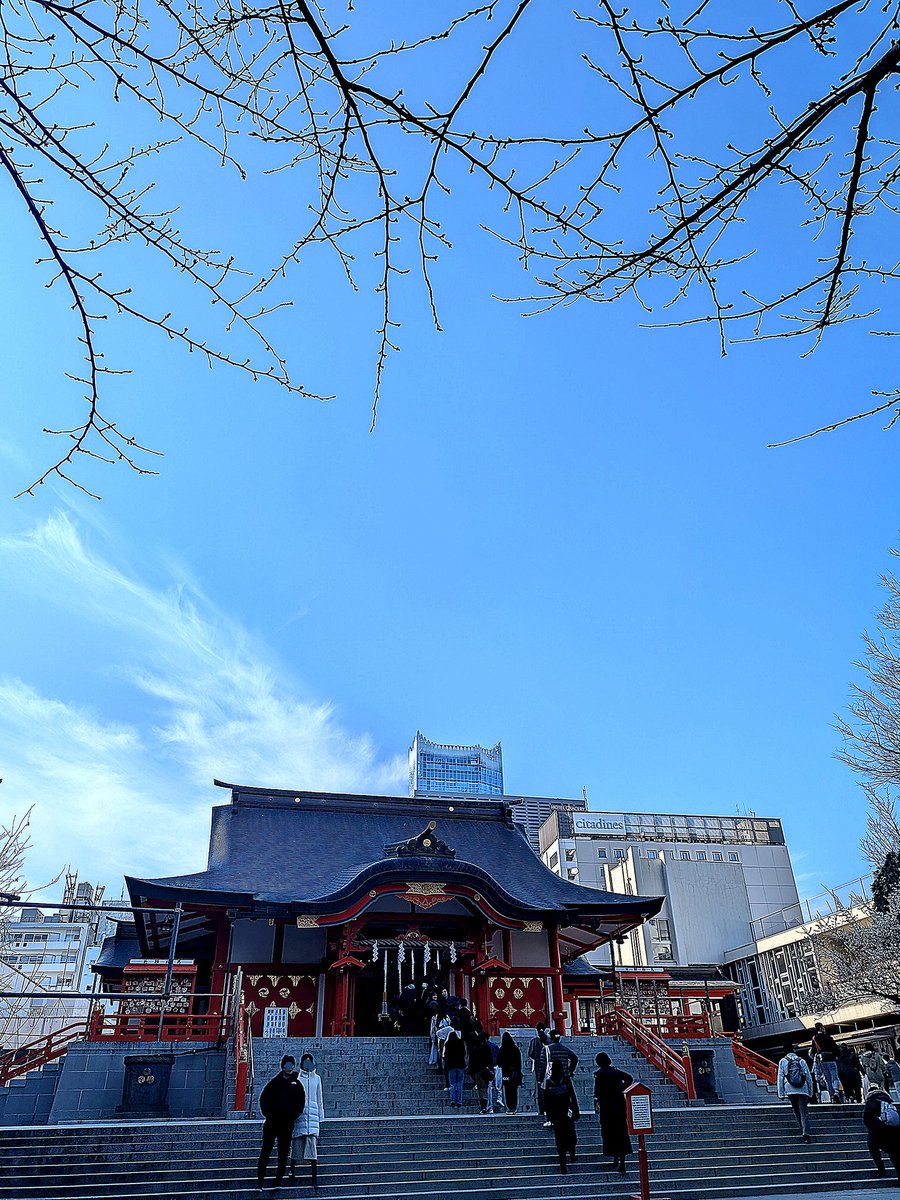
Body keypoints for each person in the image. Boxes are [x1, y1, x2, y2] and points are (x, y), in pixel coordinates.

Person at [257, 1054, 306, 1191]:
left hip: (287, 1123)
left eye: (291, 1065)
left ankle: (278, 1180)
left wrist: (293, 1115)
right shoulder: (274, 1082)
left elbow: (301, 1102)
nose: (289, 1068)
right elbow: (263, 1099)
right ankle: (260, 1180)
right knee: (266, 1150)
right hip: (272, 1122)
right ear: (283, 1066)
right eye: (287, 1065)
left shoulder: (297, 1084)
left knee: (283, 1152)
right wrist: (268, 1114)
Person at [289, 1052, 325, 1193]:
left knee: (312, 1148)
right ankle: (292, 1171)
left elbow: (319, 1097)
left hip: (313, 1115)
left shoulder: (317, 1079)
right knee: (296, 1145)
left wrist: (321, 1116)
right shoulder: (297, 1078)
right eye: (306, 1062)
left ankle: (314, 1176)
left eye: (310, 1062)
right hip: (300, 1114)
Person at [593, 1051, 633, 1174]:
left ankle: (615, 1155)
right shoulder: (615, 1072)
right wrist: (620, 1089)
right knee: (621, 1133)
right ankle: (622, 1160)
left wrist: (597, 1102)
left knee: (609, 1132)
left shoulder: (599, 1074)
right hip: (619, 1105)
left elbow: (597, 1091)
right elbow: (629, 1078)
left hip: (607, 1107)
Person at [543, 1060, 580, 1174]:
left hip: (556, 1114)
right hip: (567, 1113)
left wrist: (549, 1116)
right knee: (571, 1134)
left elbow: (546, 1100)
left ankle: (563, 1164)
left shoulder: (549, 1082)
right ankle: (572, 1155)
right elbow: (572, 1096)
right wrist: (576, 1111)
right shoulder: (566, 1079)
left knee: (560, 1139)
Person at [776, 1042, 813, 1143]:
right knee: (804, 1111)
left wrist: (781, 1093)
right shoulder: (801, 1060)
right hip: (803, 1088)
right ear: (793, 1050)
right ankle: (806, 1133)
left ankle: (802, 1128)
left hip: (790, 1088)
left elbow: (780, 1077)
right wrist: (810, 1091)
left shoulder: (783, 1061)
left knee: (796, 1110)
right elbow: (808, 1076)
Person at [864, 1087, 900, 1180]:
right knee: (895, 1156)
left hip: (876, 1133)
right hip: (893, 1132)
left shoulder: (870, 1102)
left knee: (874, 1150)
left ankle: (881, 1170)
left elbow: (866, 1120)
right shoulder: (888, 1101)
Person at [812, 1022, 842, 1102]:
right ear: (821, 1028)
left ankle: (832, 1096)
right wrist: (837, 1055)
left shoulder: (815, 1038)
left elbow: (813, 1050)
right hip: (831, 1059)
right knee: (834, 1077)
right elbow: (835, 1048)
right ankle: (836, 1091)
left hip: (822, 1060)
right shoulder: (828, 1038)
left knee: (827, 1079)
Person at [468, 1031, 494, 1114]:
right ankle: (487, 1105)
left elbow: (472, 1061)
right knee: (485, 1088)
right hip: (486, 1070)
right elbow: (490, 1059)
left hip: (478, 1071)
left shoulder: (475, 1048)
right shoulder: (487, 1047)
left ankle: (483, 1106)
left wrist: (471, 1071)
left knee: (481, 1089)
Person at [497, 1031, 523, 1113]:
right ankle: (514, 1107)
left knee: (507, 1090)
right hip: (514, 1073)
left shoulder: (502, 1049)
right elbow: (519, 1062)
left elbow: (498, 1061)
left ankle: (509, 1107)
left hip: (505, 1073)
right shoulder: (515, 1049)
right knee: (514, 1091)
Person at [527, 1024, 548, 1118]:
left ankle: (541, 1108)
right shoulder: (549, 1040)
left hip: (538, 1065)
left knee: (540, 1086)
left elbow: (530, 1053)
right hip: (549, 1066)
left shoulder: (534, 1041)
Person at [443, 1026, 467, 1108]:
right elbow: (464, 1053)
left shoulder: (448, 1044)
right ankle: (459, 1101)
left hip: (451, 1066)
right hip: (460, 1065)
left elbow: (446, 1055)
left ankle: (453, 1100)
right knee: (460, 1083)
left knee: (452, 1084)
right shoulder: (461, 1042)